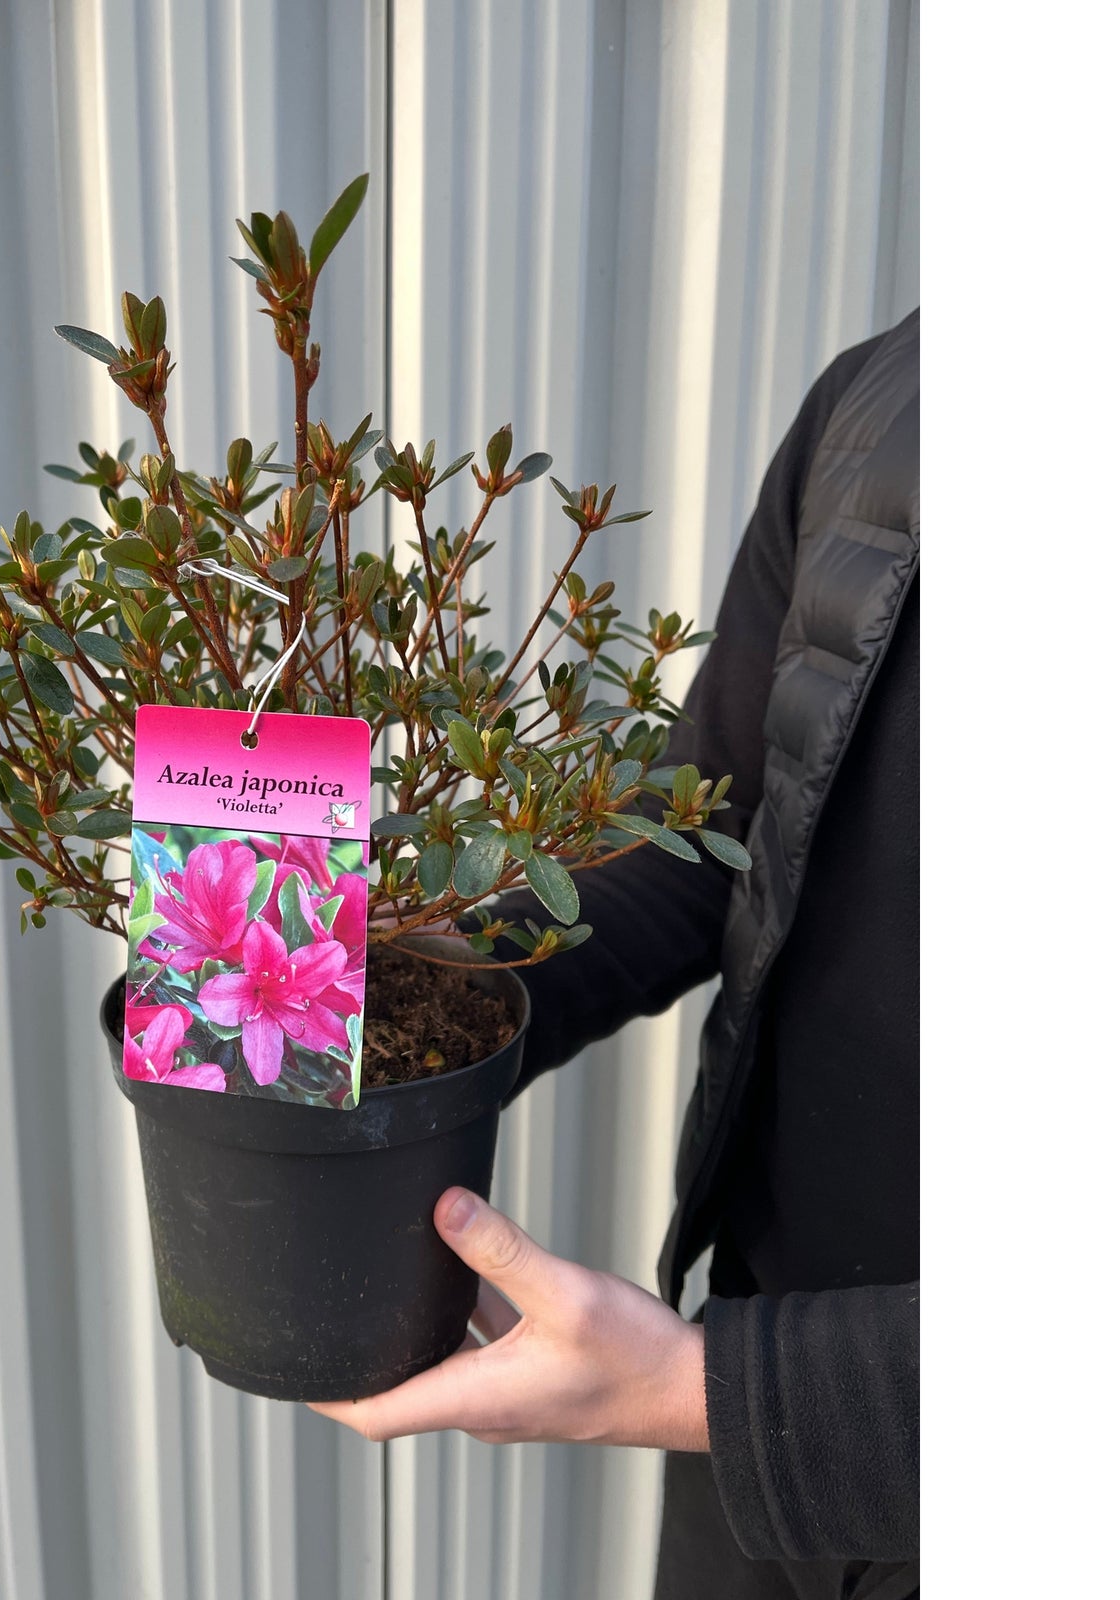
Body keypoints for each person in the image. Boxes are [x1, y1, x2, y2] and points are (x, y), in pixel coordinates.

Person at [312, 310, 920, 1600]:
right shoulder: (891, 396)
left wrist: (721, 1395)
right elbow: (715, 819)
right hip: (756, 1385)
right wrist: (388, 976)